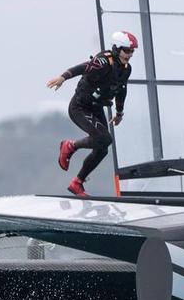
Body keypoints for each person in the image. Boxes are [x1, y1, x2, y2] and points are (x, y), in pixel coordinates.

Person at [47, 31, 137, 197]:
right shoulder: (102, 61)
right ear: (117, 48)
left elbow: (122, 89)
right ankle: (70, 146)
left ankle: (77, 183)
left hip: (96, 108)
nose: (130, 55)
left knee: (102, 148)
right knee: (105, 139)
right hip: (79, 107)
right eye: (126, 50)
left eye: (132, 51)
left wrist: (119, 113)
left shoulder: (126, 69)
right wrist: (63, 77)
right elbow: (83, 67)